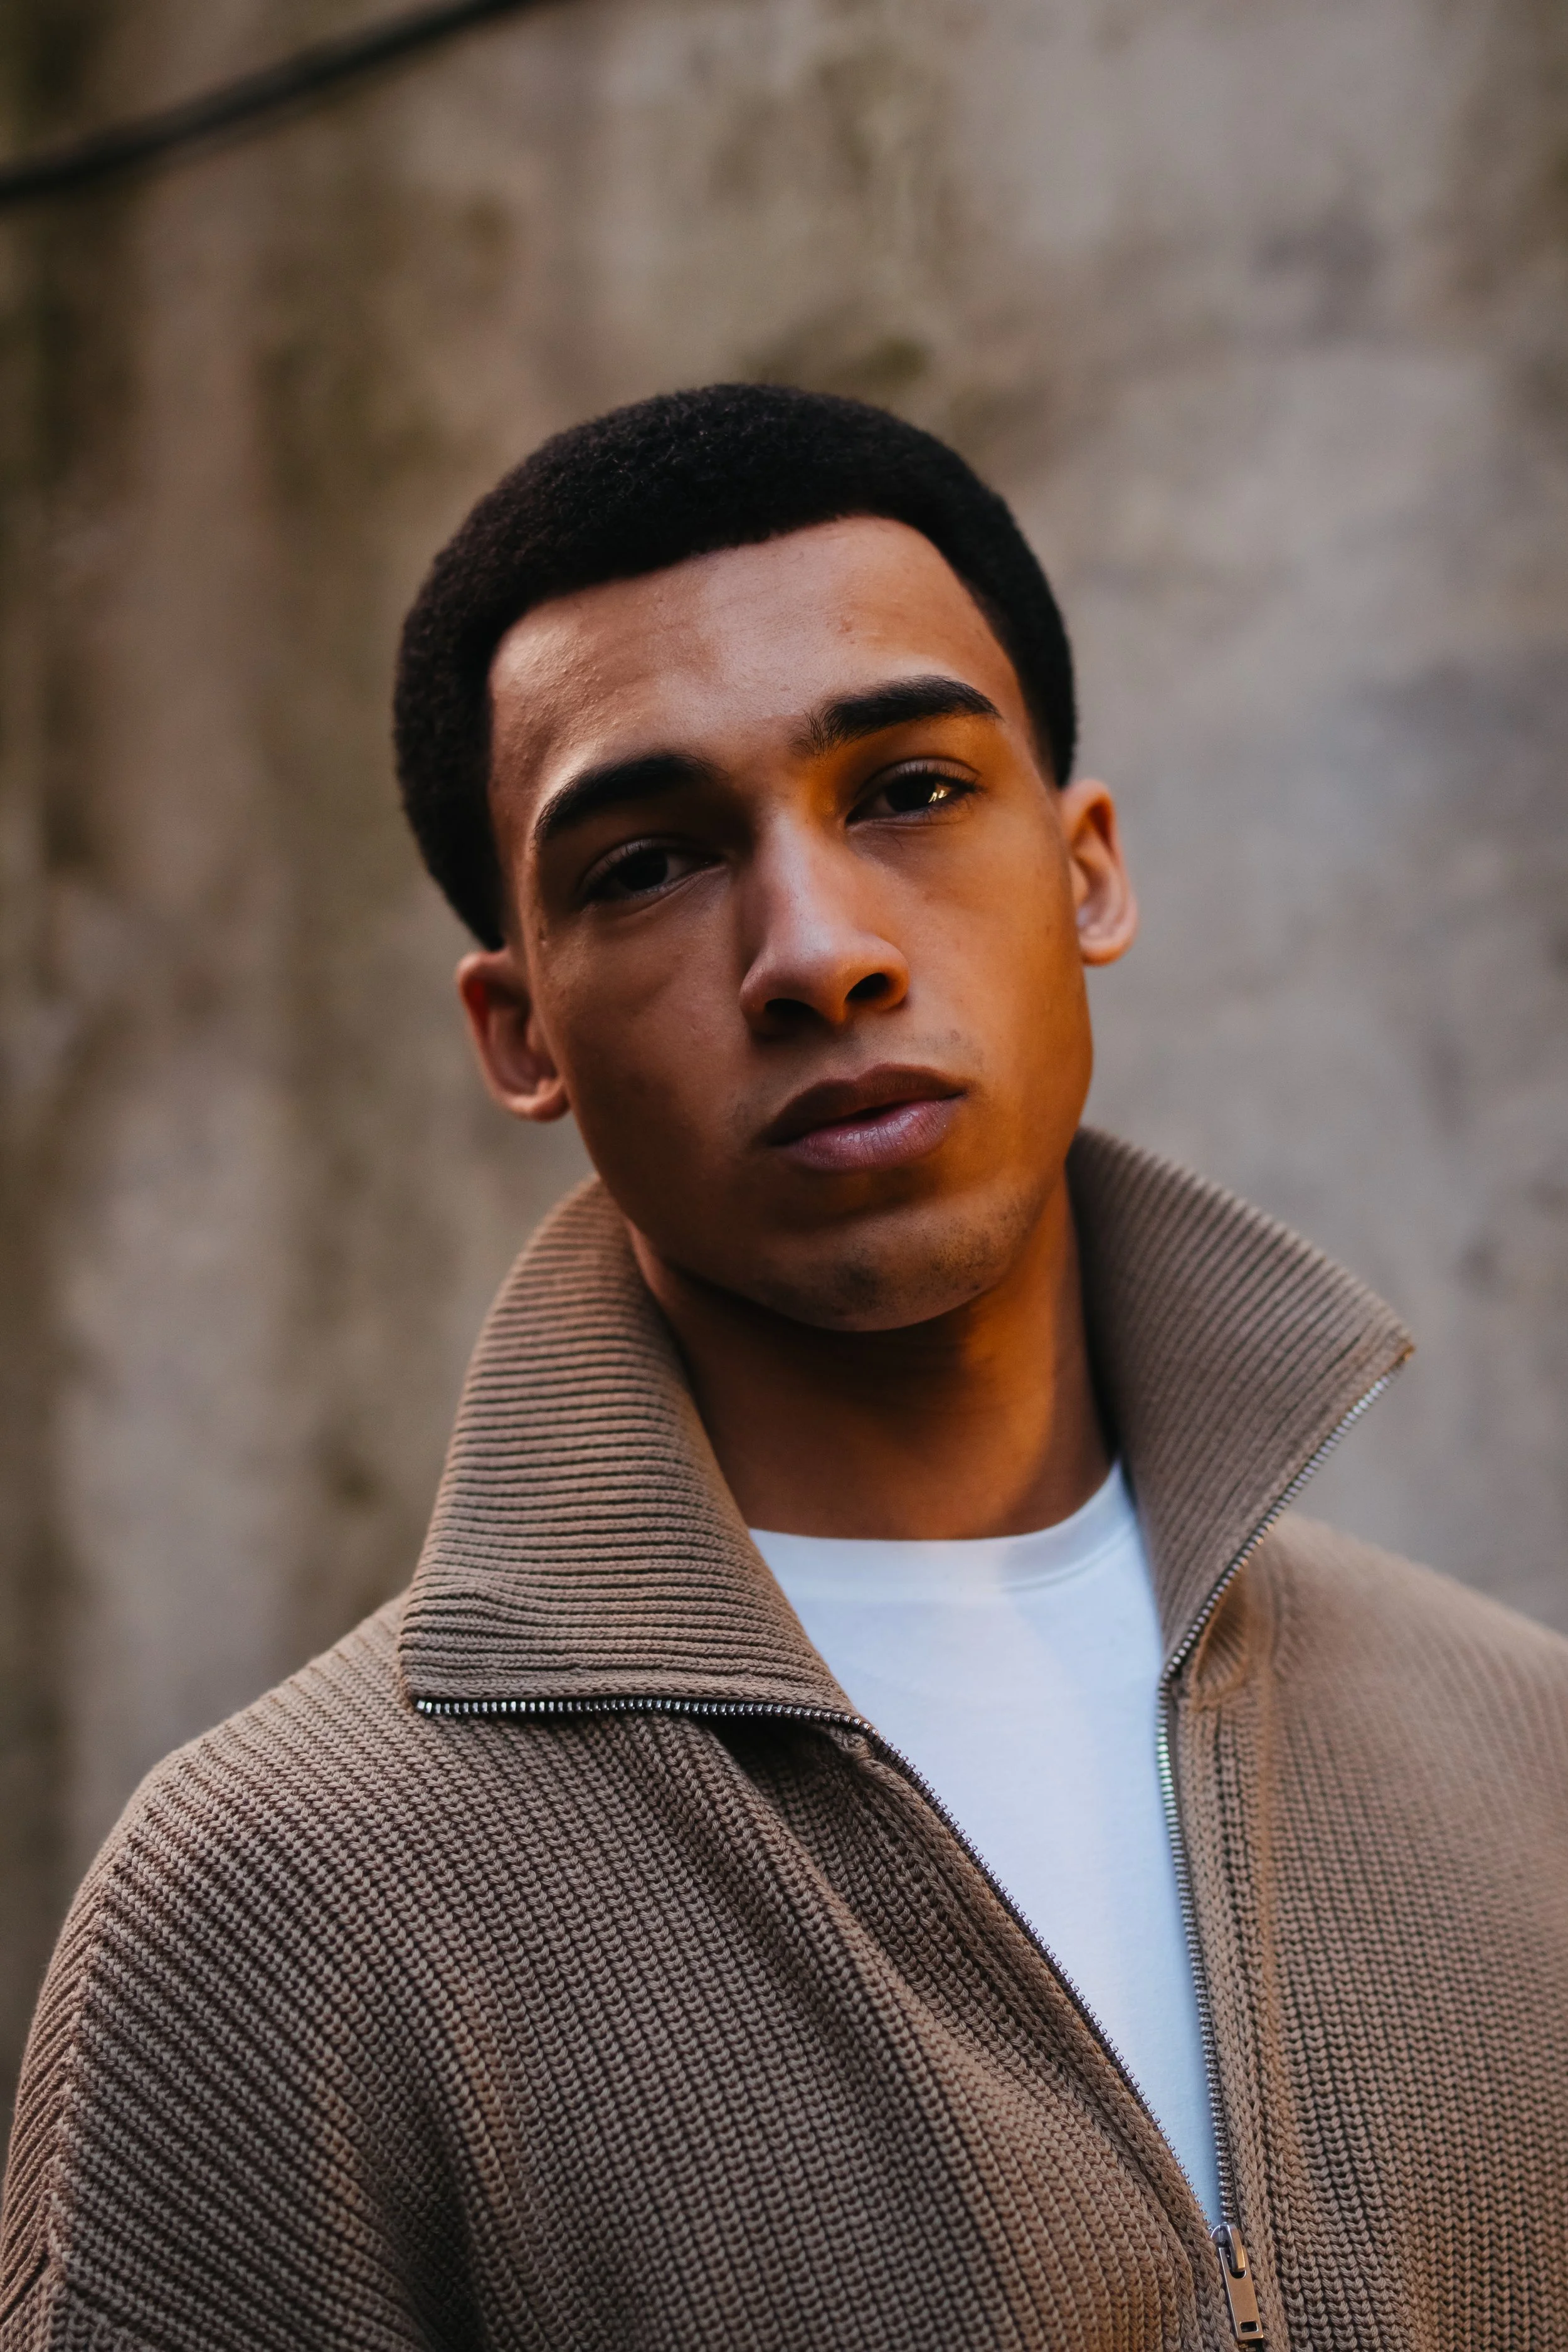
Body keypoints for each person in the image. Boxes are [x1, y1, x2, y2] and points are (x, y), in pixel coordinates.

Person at [3, 384, 1564, 2352]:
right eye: (647, 862)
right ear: (517, 1031)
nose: (814, 950)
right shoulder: (277, 1908)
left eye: (907, 790)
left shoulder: (1526, 1750)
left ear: (1083, 871)